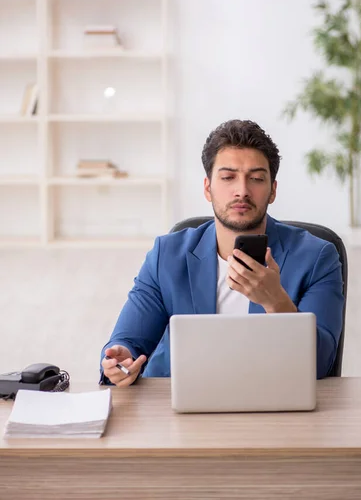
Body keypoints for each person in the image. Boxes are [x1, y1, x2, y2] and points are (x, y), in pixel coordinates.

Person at [100, 119, 344, 385]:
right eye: (228, 177)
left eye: (257, 179)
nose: (242, 191)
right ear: (208, 188)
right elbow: (128, 341)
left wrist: (276, 302)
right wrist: (120, 360)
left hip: (274, 405)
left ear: (272, 191)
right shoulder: (166, 255)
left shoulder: (318, 257)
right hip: (180, 409)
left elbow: (321, 364)